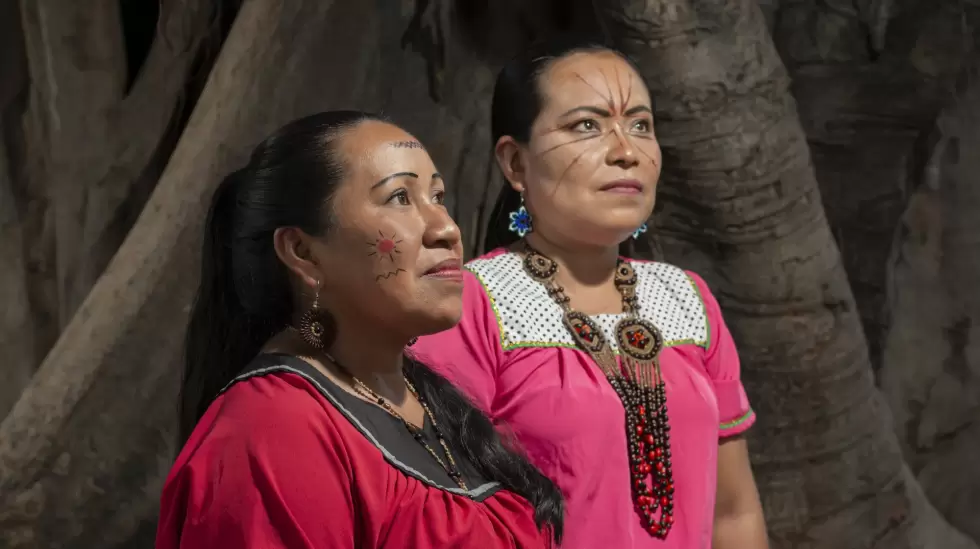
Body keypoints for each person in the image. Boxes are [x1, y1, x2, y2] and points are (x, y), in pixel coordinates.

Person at [410, 38, 769, 549]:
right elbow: (437, 515)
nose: (627, 151)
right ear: (515, 163)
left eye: (642, 125)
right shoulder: (471, 303)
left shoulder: (689, 299)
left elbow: (734, 513)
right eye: (587, 125)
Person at [155, 111, 564, 549]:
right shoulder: (275, 432)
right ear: (303, 251)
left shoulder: (432, 403)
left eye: (438, 197)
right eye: (399, 198)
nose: (446, 229)